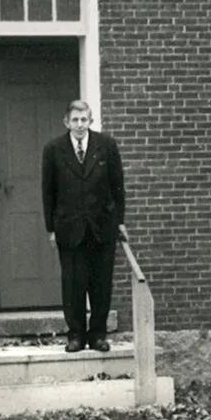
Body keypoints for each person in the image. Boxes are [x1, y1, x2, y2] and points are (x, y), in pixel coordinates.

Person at [41, 100, 127, 353]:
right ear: (67, 122)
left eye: (84, 120)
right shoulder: (54, 149)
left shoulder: (107, 146)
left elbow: (118, 186)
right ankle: (76, 335)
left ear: (91, 121)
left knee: (101, 283)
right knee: (73, 284)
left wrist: (119, 221)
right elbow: (49, 191)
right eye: (75, 120)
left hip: (102, 227)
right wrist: (52, 228)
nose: (80, 125)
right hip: (69, 228)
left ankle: (98, 334)